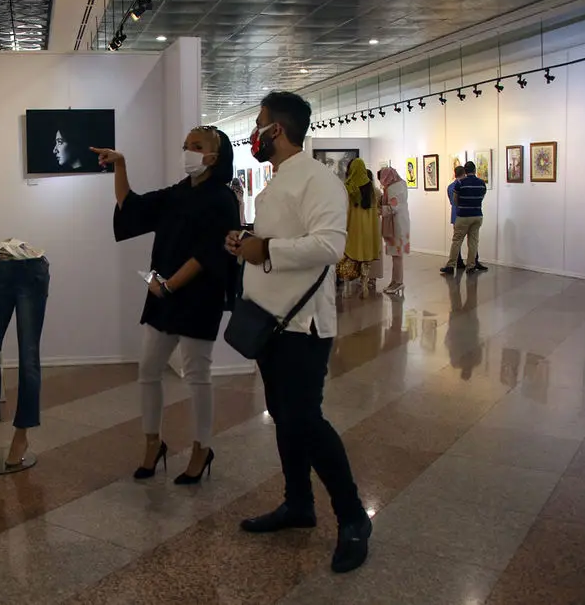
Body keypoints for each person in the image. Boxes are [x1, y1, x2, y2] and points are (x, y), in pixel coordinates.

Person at [225, 91, 371, 574]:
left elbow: (329, 246)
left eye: (259, 124)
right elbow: (282, 239)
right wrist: (246, 242)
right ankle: (298, 503)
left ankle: (353, 517)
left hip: (302, 326)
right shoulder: (281, 178)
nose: (255, 133)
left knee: (306, 420)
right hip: (271, 321)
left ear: (278, 130)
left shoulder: (318, 179)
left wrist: (264, 249)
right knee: (284, 418)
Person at [94, 126, 239, 485]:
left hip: (197, 297)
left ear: (214, 156)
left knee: (197, 375)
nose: (188, 151)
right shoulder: (178, 192)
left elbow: (210, 253)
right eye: (186, 145)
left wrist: (171, 285)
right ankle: (152, 443)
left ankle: (201, 448)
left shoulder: (222, 199)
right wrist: (120, 165)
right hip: (163, 295)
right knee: (149, 369)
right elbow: (132, 207)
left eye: (196, 146)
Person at [336, 158, 381, 298]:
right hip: (368, 230)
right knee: (365, 260)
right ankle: (364, 284)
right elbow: (375, 211)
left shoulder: (349, 187)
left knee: (349, 257)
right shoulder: (371, 189)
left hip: (353, 229)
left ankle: (346, 287)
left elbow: (344, 209)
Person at [441, 161, 486, 275]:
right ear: (475, 170)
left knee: (457, 241)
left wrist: (463, 205)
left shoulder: (460, 183)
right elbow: (482, 197)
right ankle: (471, 266)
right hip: (477, 215)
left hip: (463, 216)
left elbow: (455, 201)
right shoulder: (481, 183)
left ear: (465, 171)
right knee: (473, 242)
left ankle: (451, 265)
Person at [378, 167, 410, 294]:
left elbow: (393, 207)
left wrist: (379, 210)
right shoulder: (402, 184)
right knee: (397, 255)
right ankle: (395, 281)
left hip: (395, 225)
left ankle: (398, 282)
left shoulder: (392, 188)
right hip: (401, 223)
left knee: (396, 255)